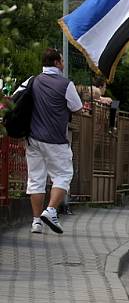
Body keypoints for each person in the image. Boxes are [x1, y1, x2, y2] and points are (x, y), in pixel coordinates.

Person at [18, 48, 83, 234]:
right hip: (55, 140)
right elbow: (77, 107)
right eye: (61, 60)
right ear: (56, 63)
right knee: (63, 175)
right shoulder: (65, 84)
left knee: (36, 179)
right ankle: (51, 210)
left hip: (33, 138)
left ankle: (36, 222)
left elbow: (16, 99)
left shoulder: (32, 80)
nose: (63, 63)